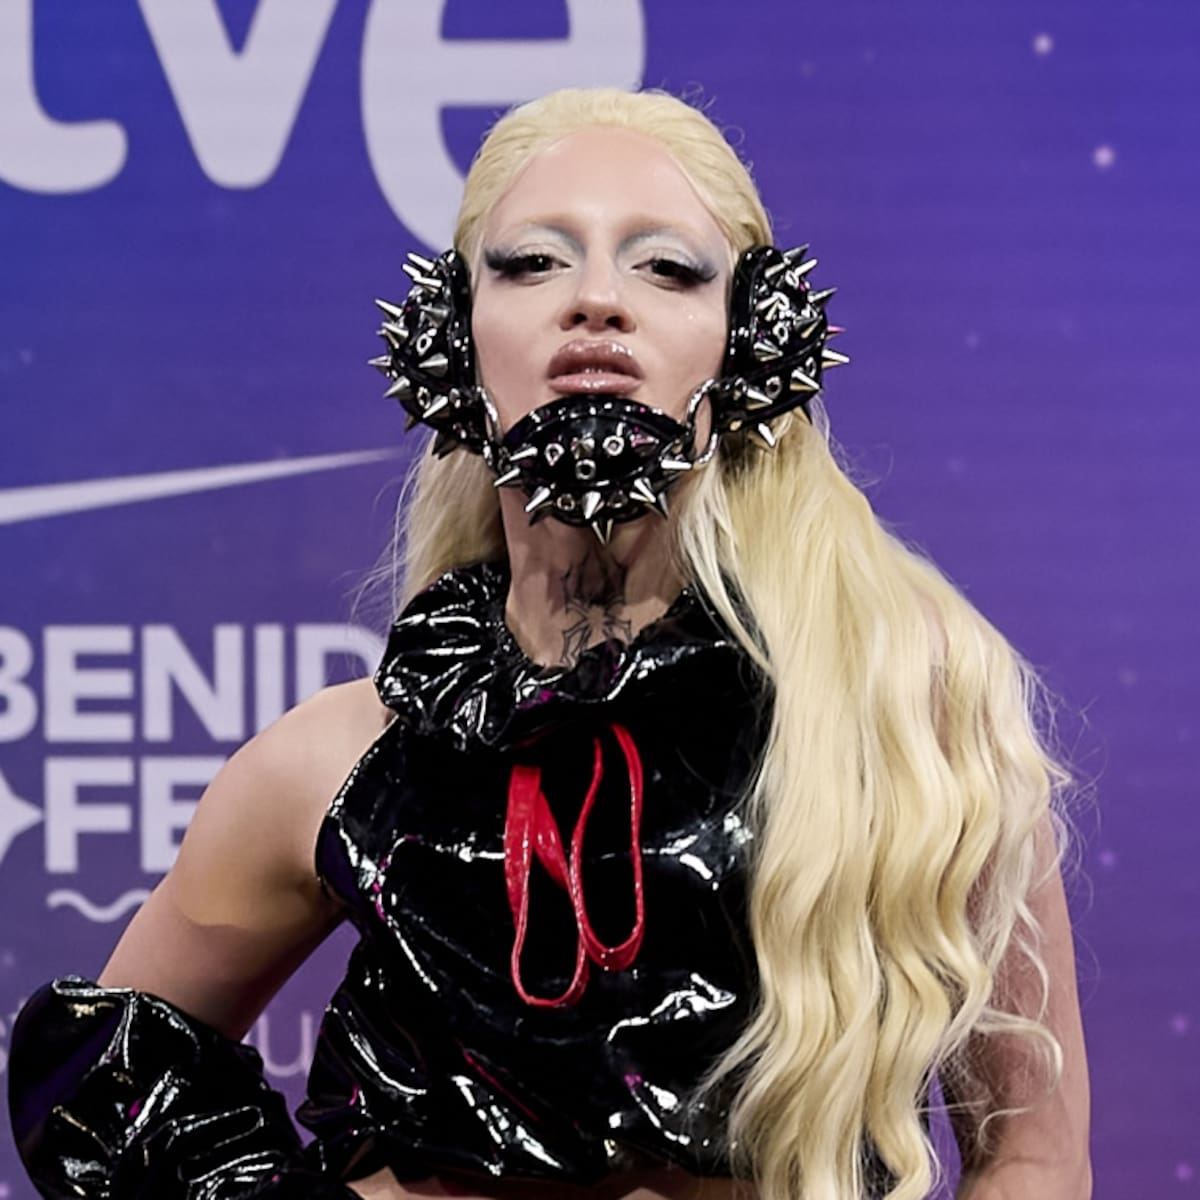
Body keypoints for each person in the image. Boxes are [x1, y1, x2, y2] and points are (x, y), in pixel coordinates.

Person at [8, 88, 1092, 1200]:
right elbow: (109, 1082)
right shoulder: (333, 768)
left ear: (752, 338)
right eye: (532, 262)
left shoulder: (902, 711)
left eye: (668, 268)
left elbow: (1033, 1158)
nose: (597, 300)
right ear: (453, 336)